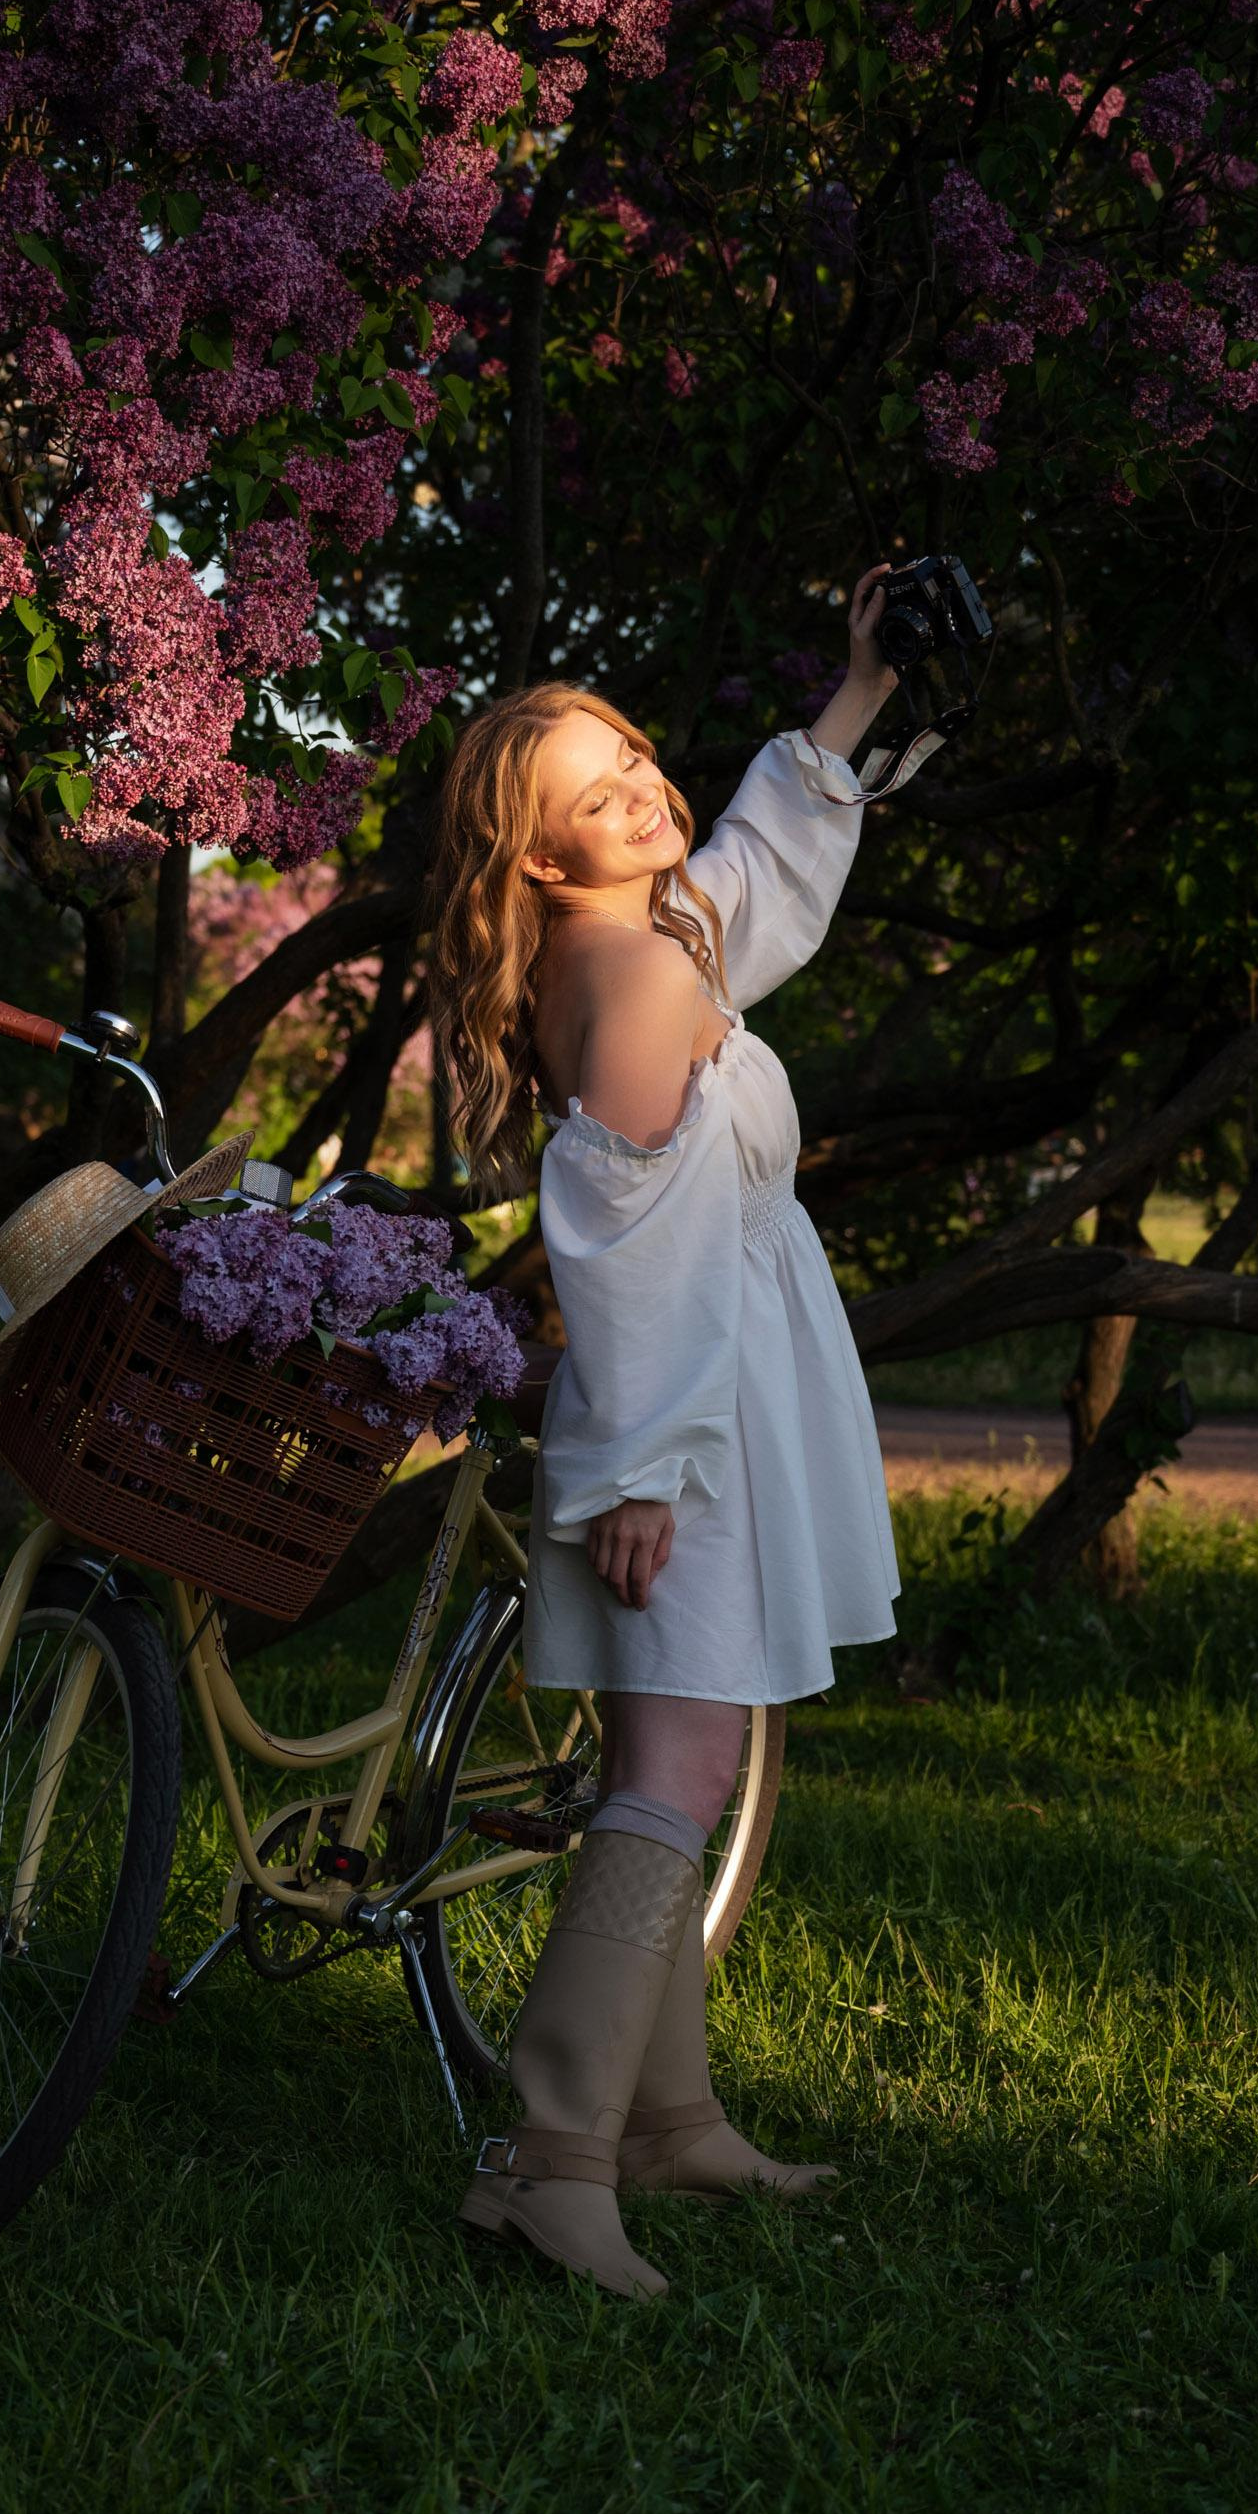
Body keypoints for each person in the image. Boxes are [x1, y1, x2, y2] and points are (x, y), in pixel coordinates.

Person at [426, 569, 904, 2298]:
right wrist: (632, 1477)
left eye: (631, 755)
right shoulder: (626, 973)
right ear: (542, 858)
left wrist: (854, 695)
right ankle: (551, 2161)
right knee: (680, 1777)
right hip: (671, 1436)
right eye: (591, 791)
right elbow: (624, 1248)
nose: (640, 786)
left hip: (705, 1411)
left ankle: (669, 2120)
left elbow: (758, 883)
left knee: (666, 1771)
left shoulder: (649, 938)